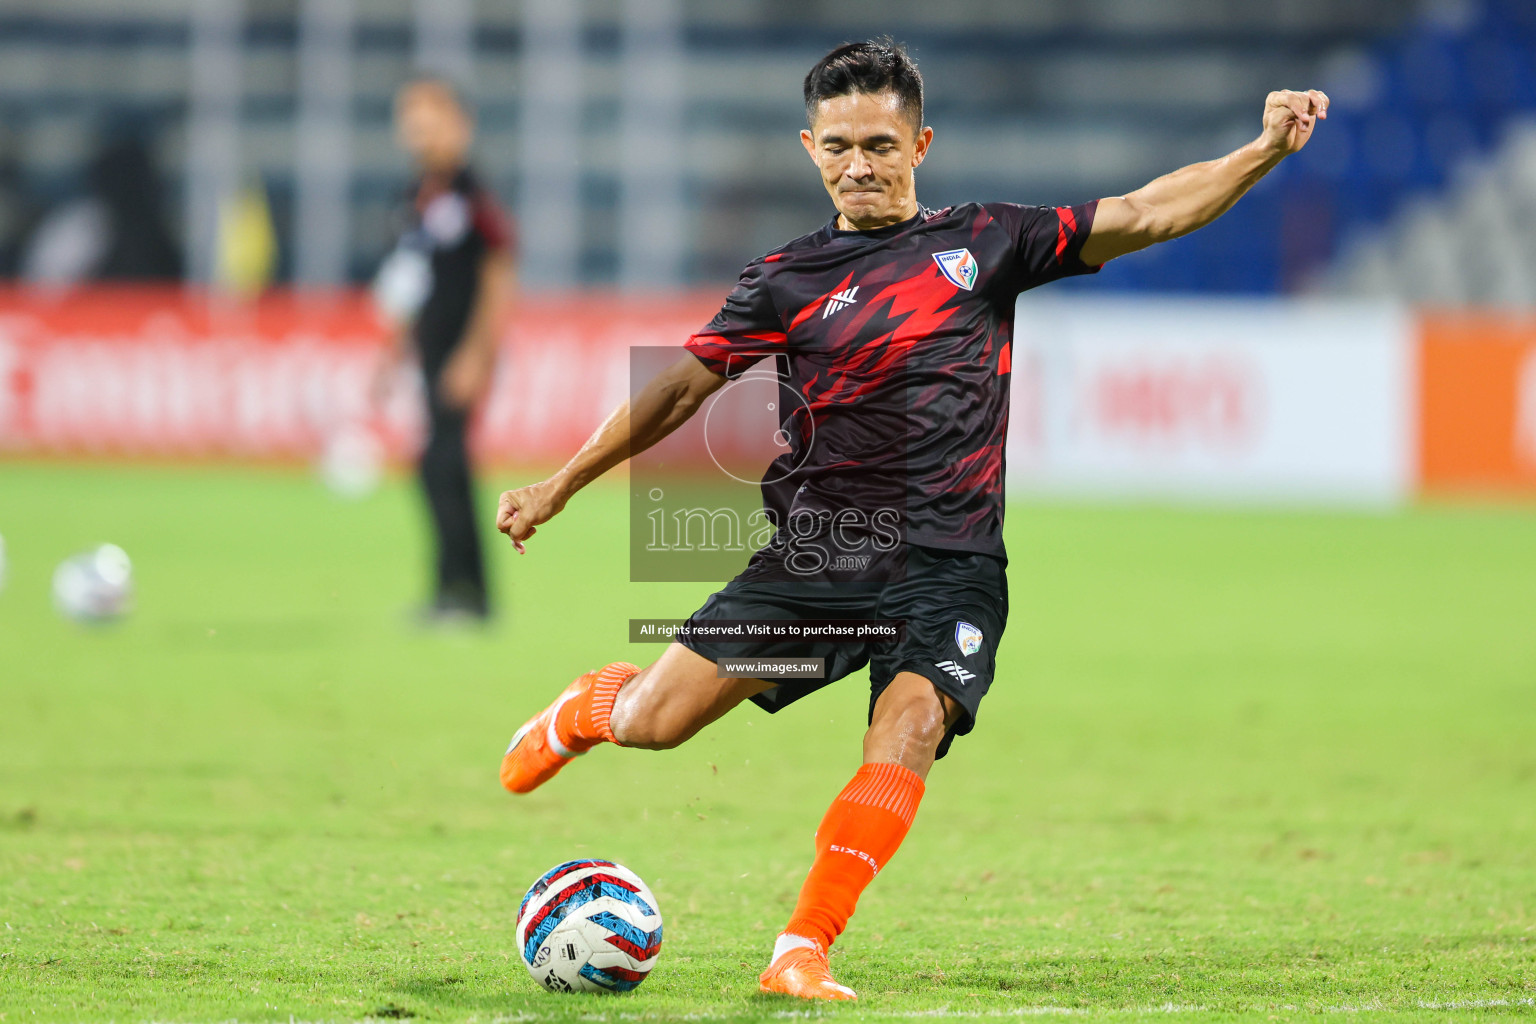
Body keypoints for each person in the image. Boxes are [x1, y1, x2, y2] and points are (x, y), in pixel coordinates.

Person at [496, 40, 1327, 1000]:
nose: (861, 164)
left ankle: (800, 949)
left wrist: (1262, 150)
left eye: (882, 145)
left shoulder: (986, 241)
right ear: (810, 148)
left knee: (912, 721)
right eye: (841, 145)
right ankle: (593, 706)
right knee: (655, 723)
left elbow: (1145, 212)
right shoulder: (785, 280)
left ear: (920, 142)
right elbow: (681, 390)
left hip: (952, 559)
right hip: (823, 558)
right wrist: (561, 483)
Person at [376, 76, 515, 622]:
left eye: (426, 116)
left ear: (458, 123)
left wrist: (476, 355)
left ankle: (468, 594)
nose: (415, 129)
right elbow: (409, 286)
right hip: (431, 356)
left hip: (460, 355)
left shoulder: (469, 194)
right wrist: (388, 357)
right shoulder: (415, 198)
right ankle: (452, 591)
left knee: (445, 463)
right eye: (408, 117)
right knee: (435, 466)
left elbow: (498, 272)